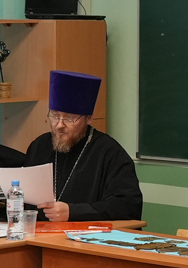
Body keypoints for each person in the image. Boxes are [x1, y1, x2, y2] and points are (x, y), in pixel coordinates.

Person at [19, 70, 141, 222]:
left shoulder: (110, 153)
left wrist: (73, 212)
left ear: (89, 119)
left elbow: (127, 206)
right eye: (55, 116)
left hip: (88, 235)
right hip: (41, 232)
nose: (59, 125)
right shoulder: (39, 146)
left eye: (69, 118)